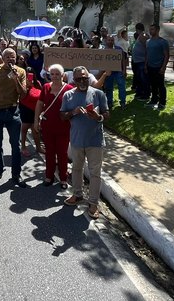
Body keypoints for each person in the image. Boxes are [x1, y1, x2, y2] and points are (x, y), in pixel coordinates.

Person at [60, 66, 109, 219]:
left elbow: (107, 114)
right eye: (79, 79)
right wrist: (72, 112)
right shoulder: (67, 95)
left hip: (95, 141)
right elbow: (62, 116)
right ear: (73, 80)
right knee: (76, 169)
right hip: (76, 140)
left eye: (85, 78)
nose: (82, 81)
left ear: (89, 78)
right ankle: (77, 195)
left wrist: (98, 117)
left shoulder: (98, 94)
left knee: (95, 173)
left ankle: (93, 203)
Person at [0, 47, 27, 187]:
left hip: (13, 112)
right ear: (3, 58)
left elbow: (23, 93)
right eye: (8, 56)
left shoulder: (20, 72)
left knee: (16, 144)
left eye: (13, 56)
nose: (11, 59)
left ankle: (16, 174)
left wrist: (16, 79)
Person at [33, 64, 74, 188]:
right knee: (49, 152)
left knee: (62, 153)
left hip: (64, 127)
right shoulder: (45, 87)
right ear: (49, 75)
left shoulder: (69, 89)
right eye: (52, 74)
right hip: (48, 126)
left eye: (57, 74)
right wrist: (36, 121)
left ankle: (63, 178)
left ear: (63, 75)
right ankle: (49, 176)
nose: (55, 76)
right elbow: (39, 105)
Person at [145, 24, 170, 110]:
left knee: (160, 85)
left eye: (152, 29)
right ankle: (154, 100)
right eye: (150, 29)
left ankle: (162, 102)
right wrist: (145, 65)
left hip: (159, 67)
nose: (150, 31)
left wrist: (163, 67)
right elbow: (147, 54)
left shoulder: (163, 42)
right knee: (153, 85)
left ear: (157, 30)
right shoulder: (148, 41)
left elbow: (166, 55)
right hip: (150, 67)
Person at [19, 71, 44, 157]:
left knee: (35, 129)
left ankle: (38, 147)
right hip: (25, 108)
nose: (29, 78)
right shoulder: (22, 84)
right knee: (24, 128)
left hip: (36, 110)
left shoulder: (37, 83)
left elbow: (42, 95)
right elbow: (21, 94)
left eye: (31, 76)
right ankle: (23, 147)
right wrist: (27, 86)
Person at [103, 36, 128, 110]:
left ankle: (123, 102)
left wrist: (124, 70)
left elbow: (123, 60)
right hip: (108, 72)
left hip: (118, 71)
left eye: (112, 40)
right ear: (106, 41)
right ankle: (109, 103)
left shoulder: (118, 49)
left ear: (114, 41)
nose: (110, 41)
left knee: (122, 87)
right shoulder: (103, 50)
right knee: (109, 88)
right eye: (109, 40)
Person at [131, 31, 149, 101]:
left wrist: (145, 64)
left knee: (143, 79)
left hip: (142, 61)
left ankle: (145, 94)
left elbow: (147, 46)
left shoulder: (144, 35)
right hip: (137, 61)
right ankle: (139, 92)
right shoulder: (139, 37)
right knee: (138, 78)